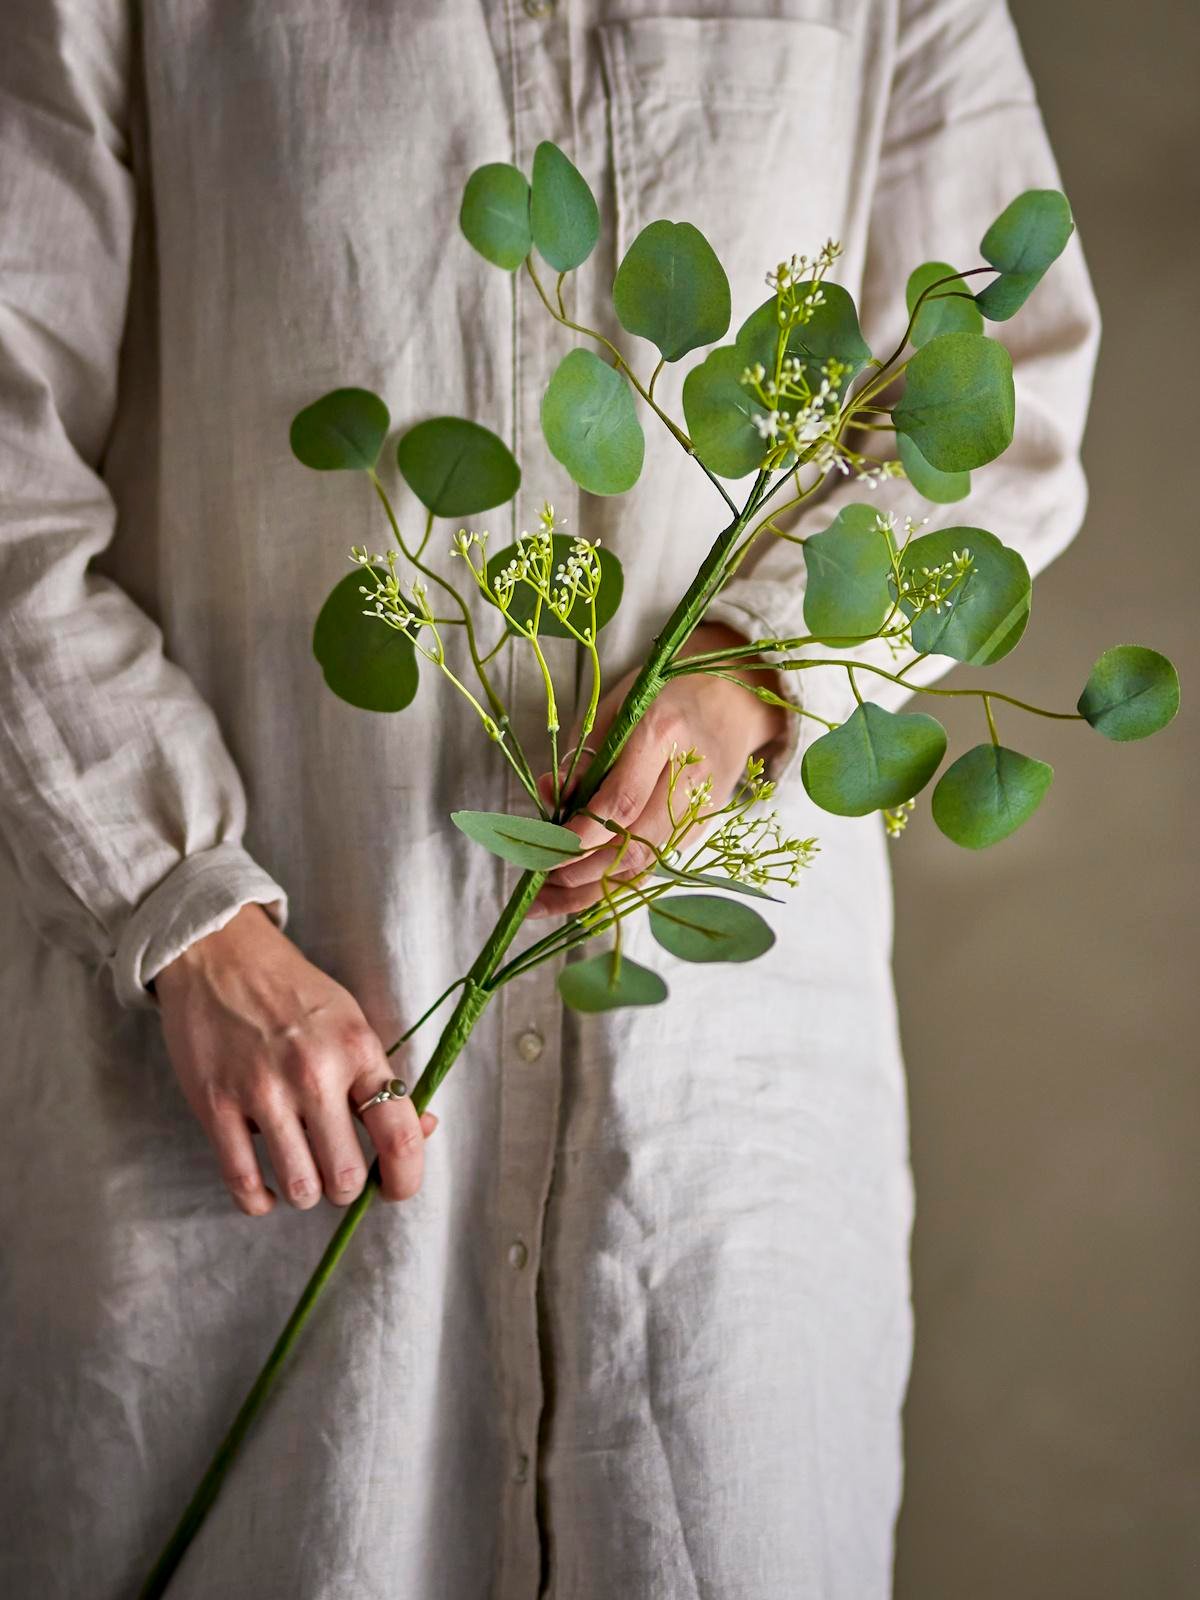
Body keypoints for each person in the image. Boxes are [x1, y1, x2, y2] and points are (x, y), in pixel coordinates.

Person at [0, 2, 1098, 1596]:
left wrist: (753, 667)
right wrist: (180, 904)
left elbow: (1002, 380)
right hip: (248, 1087)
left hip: (721, 1126)